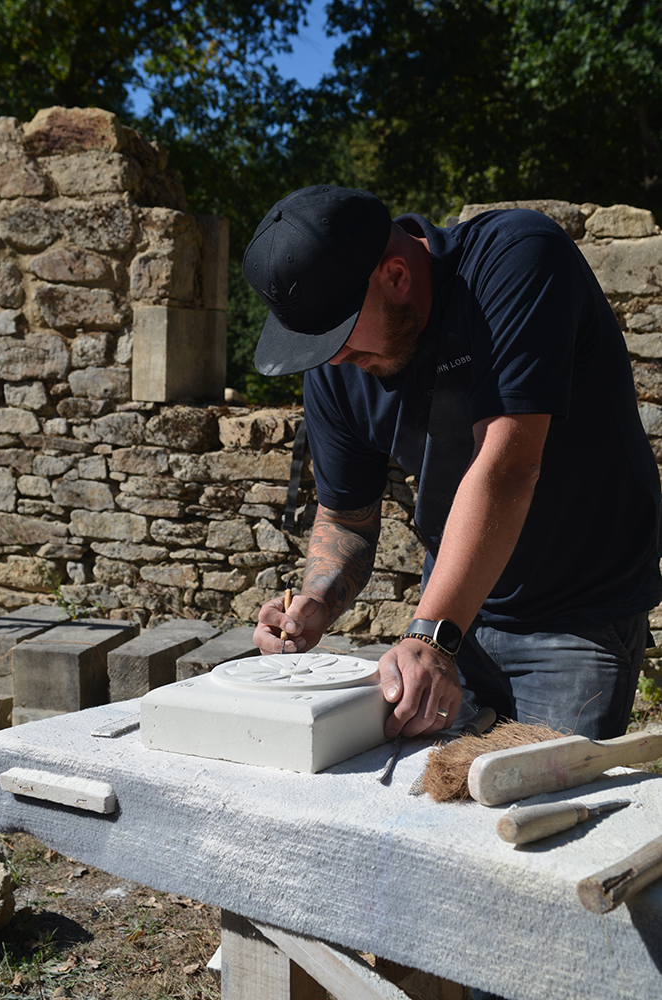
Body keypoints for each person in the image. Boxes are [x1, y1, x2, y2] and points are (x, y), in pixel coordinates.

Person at [242, 184, 662, 745]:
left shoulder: (515, 259)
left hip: (574, 618)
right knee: (431, 792)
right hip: (455, 615)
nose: (335, 358)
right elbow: (346, 519)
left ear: (396, 275)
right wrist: (315, 603)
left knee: (536, 795)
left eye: (338, 335)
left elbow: (507, 466)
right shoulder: (335, 364)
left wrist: (430, 636)